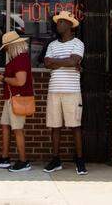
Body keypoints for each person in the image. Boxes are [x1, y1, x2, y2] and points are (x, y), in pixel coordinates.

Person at [42, 10, 86, 175]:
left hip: (72, 90)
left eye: (61, 22)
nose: (58, 25)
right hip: (54, 90)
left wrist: (57, 61)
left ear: (69, 25)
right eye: (58, 22)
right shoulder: (52, 45)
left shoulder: (78, 43)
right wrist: (65, 62)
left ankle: (80, 160)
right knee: (55, 126)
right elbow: (47, 63)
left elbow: (74, 60)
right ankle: (55, 159)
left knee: (75, 126)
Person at [0, 31, 34, 172]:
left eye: (7, 47)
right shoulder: (18, 59)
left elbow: (20, 81)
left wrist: (3, 79)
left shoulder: (21, 59)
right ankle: (5, 157)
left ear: (13, 46)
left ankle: (23, 161)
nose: (6, 50)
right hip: (11, 98)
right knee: (5, 126)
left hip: (18, 98)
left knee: (17, 129)